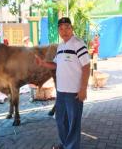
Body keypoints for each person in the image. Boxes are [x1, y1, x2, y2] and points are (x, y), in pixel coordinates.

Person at [36, 17, 90, 149]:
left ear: (72, 29)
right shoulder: (61, 46)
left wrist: (83, 89)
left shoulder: (78, 44)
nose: (64, 31)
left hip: (74, 92)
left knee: (73, 123)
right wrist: (43, 63)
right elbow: (56, 64)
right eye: (61, 28)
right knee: (61, 120)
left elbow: (86, 67)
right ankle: (65, 144)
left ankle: (71, 146)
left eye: (67, 27)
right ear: (58, 31)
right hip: (61, 92)